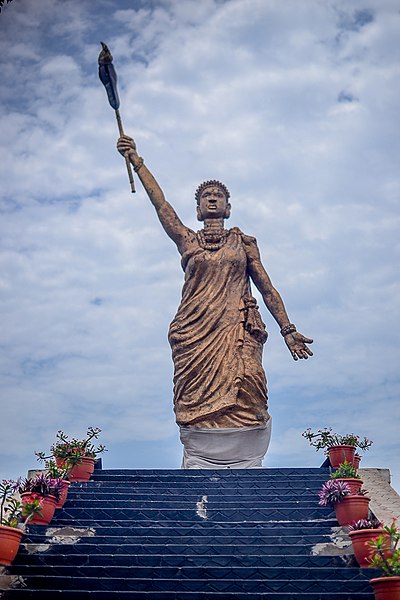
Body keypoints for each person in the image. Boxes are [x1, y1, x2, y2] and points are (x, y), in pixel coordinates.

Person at [117, 135, 313, 468]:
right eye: (206, 196)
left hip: (236, 328)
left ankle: (243, 451)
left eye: (218, 195)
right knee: (195, 395)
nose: (212, 199)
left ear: (228, 206)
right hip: (194, 333)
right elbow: (160, 204)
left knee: (251, 381)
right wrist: (137, 160)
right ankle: (202, 450)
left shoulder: (243, 242)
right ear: (197, 208)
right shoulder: (187, 240)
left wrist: (288, 329)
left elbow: (266, 288)